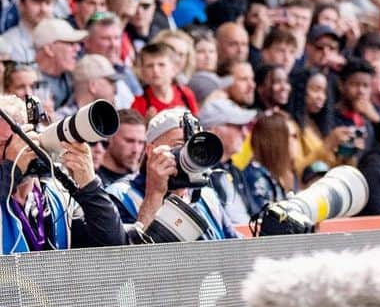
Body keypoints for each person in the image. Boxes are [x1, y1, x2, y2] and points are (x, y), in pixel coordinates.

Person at [0, 95, 125, 252]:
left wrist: (90, 186)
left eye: (24, 141)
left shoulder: (58, 197)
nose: (19, 150)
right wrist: (12, 169)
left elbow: (113, 247)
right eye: (2, 144)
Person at [105, 107, 236, 241]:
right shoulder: (120, 196)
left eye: (194, 147)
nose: (189, 154)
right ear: (151, 150)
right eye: (179, 145)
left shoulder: (207, 196)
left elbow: (236, 249)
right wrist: (154, 194)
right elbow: (130, 257)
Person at [201, 96, 258, 224]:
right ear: (215, 130)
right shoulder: (198, 176)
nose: (245, 133)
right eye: (238, 127)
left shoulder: (234, 170)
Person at [241, 111, 299, 216]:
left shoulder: (288, 174)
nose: (297, 142)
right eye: (293, 136)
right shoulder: (255, 176)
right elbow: (266, 221)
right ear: (276, 140)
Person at [131, 40, 198, 118]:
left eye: (161, 65)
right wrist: (146, 124)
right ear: (143, 71)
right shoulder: (139, 104)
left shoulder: (186, 95)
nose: (155, 70)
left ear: (174, 68)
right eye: (149, 66)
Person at [33, 18, 86, 113]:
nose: (77, 48)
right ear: (49, 49)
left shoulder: (73, 76)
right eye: (70, 43)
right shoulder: (27, 83)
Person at [0, 0, 55, 65]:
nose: (43, 9)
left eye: (47, 3)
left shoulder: (59, 41)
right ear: (21, 5)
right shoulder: (8, 42)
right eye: (37, 2)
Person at [96, 108, 147, 187]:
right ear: (110, 137)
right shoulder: (91, 178)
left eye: (141, 142)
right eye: (129, 141)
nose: (136, 150)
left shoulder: (140, 181)